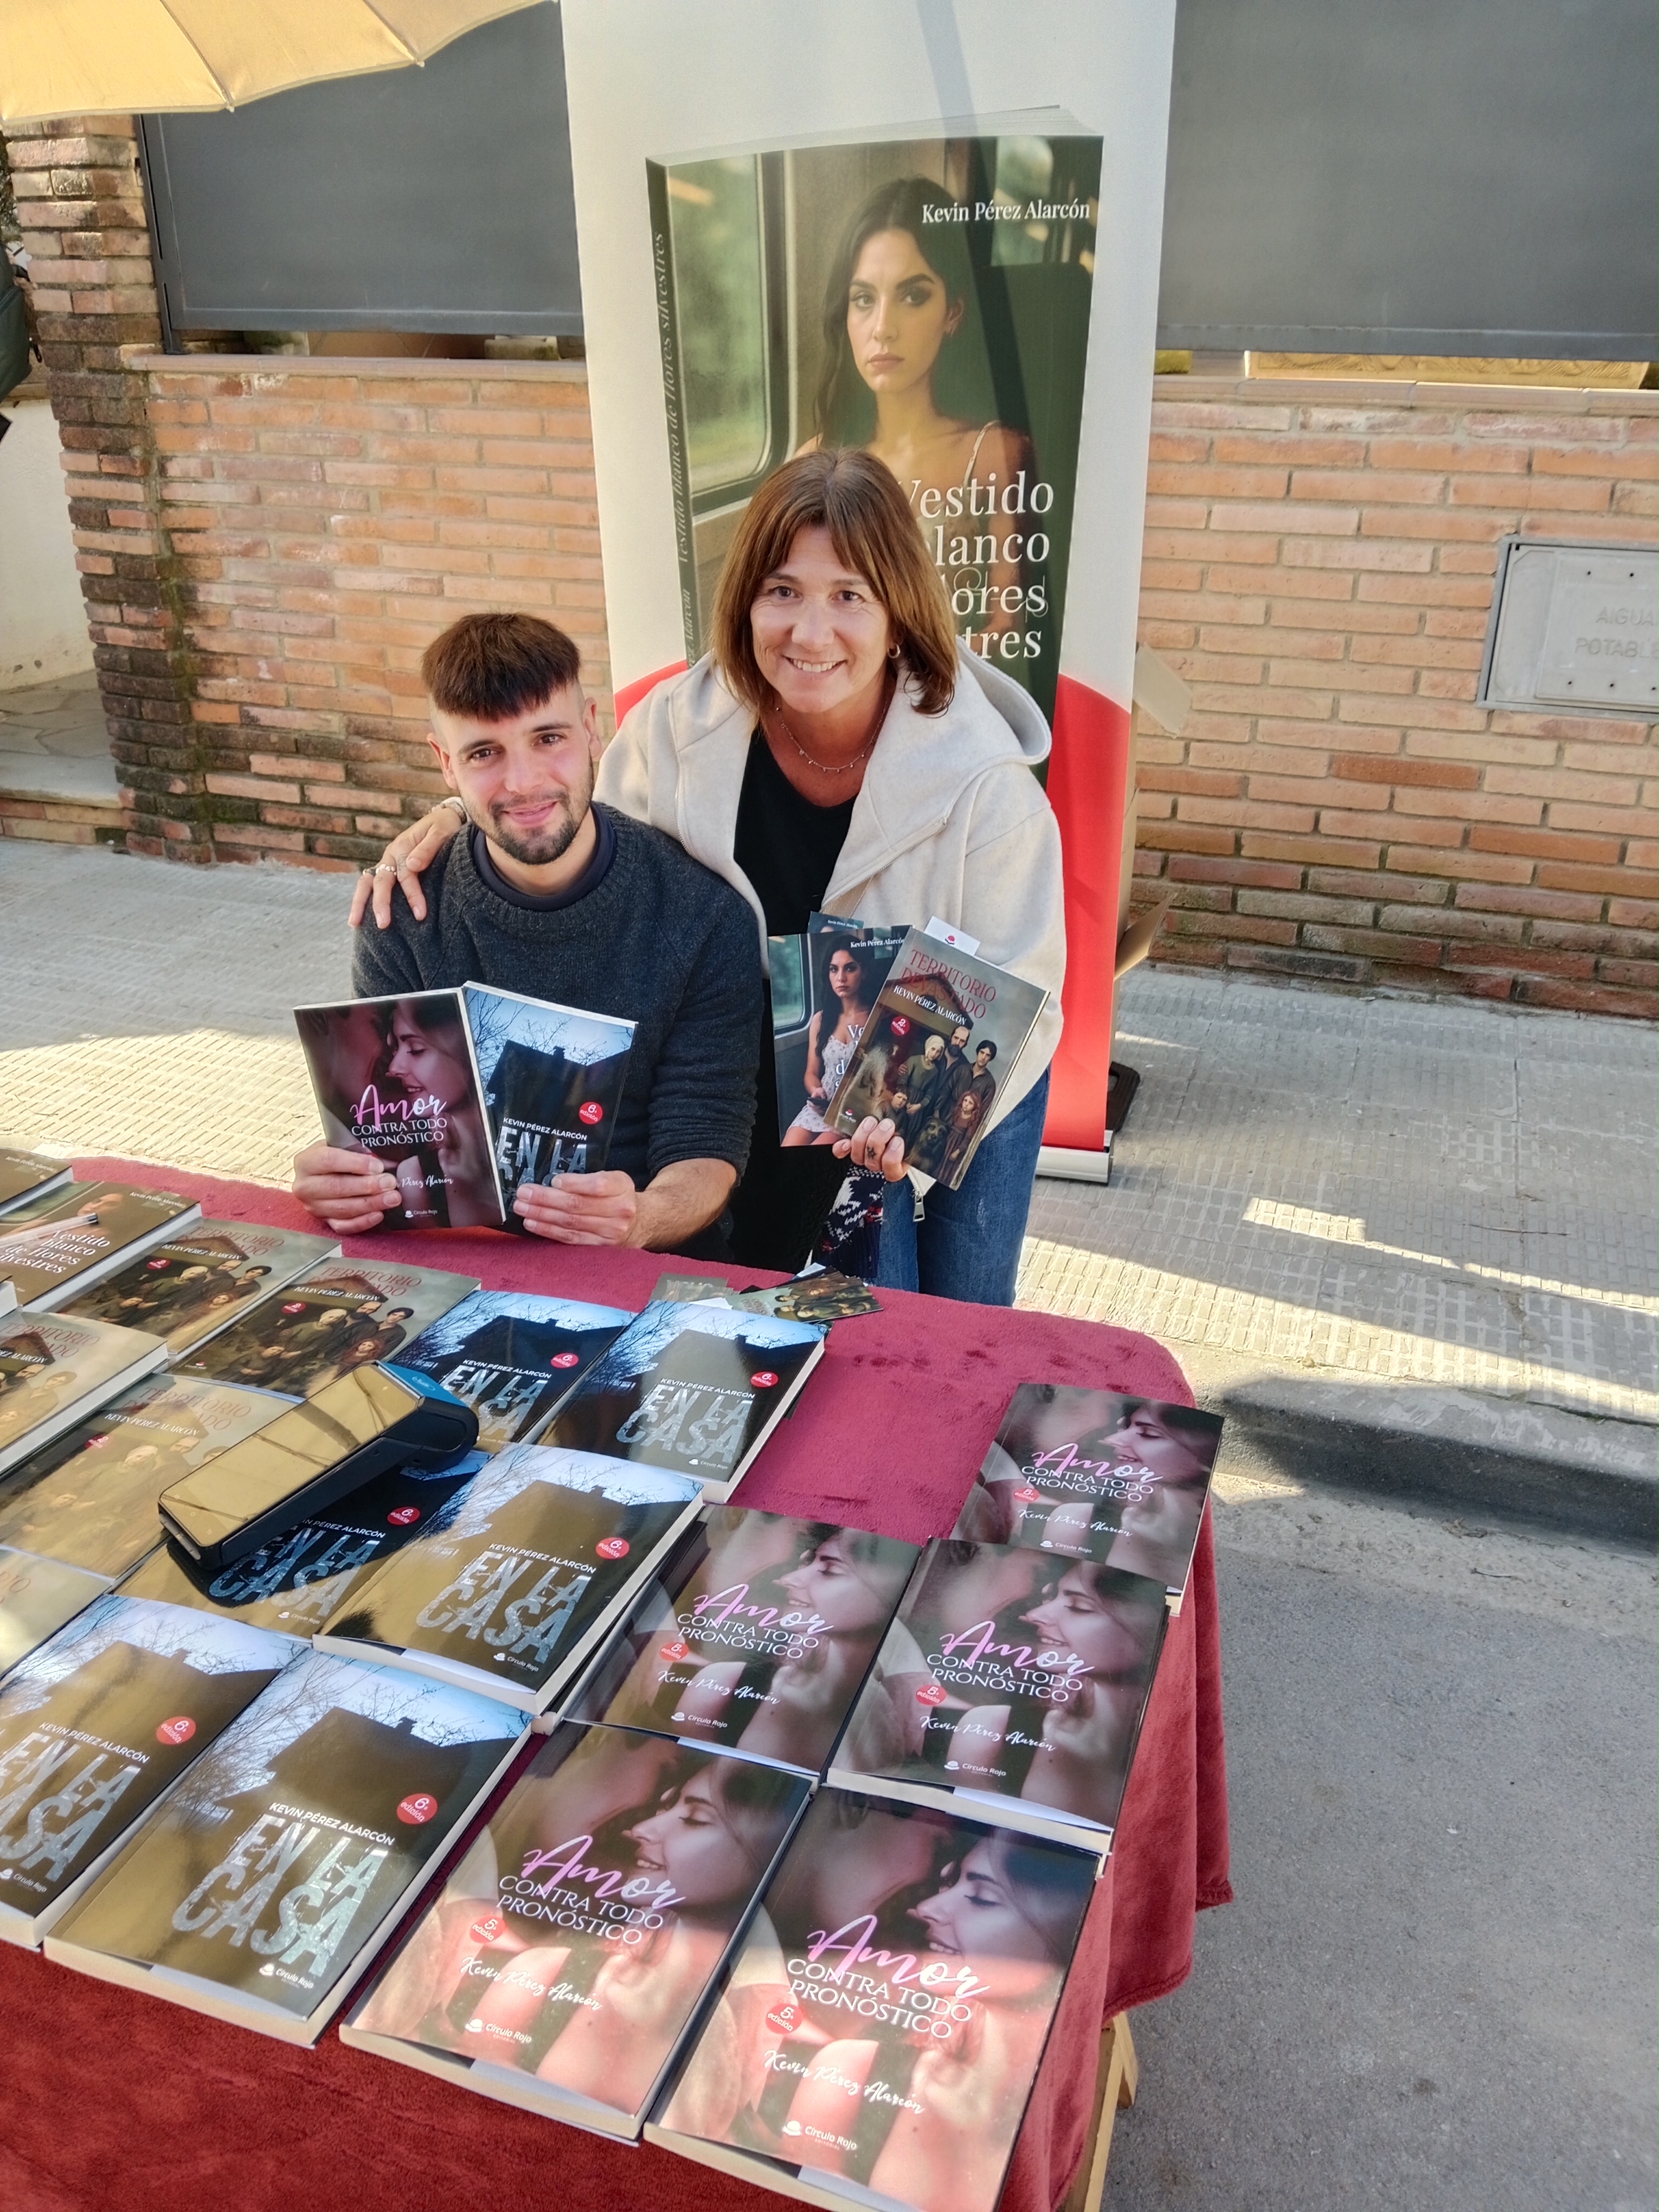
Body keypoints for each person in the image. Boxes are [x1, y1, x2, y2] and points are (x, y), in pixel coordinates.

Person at [355, 449, 1065, 1305]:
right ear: (745, 601)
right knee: (831, 1304)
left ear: (899, 611)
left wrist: (925, 1116)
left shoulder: (984, 786)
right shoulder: (674, 729)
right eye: (782, 591)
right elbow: (582, 826)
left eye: (849, 595)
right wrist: (460, 811)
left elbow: (1020, 993)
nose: (810, 631)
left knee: (964, 1312)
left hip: (942, 1075)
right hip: (751, 1064)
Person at [298, 612, 761, 1257]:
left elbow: (707, 1148)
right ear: (445, 764)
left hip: (647, 1264)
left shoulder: (703, 917)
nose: (523, 783)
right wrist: (346, 1182)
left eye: (548, 738)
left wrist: (642, 1218)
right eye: (485, 753)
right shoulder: (401, 914)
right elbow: (392, 1139)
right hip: (466, 1253)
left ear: (594, 729)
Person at [808, 176, 1037, 663]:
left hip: (950, 713)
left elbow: (1008, 625)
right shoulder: (812, 461)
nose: (883, 329)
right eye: (864, 299)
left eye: (913, 296)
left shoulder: (994, 454)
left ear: (952, 312)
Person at [781, 937, 873, 1146]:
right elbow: (811, 1073)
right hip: (821, 1105)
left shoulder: (876, 1017)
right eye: (834, 970)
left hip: (852, 1110)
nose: (841, 977)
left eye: (850, 969)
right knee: (789, 1147)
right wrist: (816, 1091)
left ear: (864, 972)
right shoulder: (821, 1020)